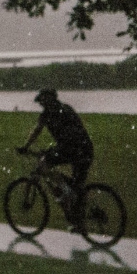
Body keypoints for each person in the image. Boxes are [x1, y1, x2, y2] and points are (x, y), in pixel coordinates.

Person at [18, 89, 94, 221]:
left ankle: (65, 190)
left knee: (43, 165)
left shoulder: (47, 114)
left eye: (42, 101)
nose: (41, 104)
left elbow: (36, 131)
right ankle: (79, 220)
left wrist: (25, 147)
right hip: (86, 148)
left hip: (70, 148)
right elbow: (77, 129)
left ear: (47, 99)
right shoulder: (66, 108)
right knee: (78, 186)